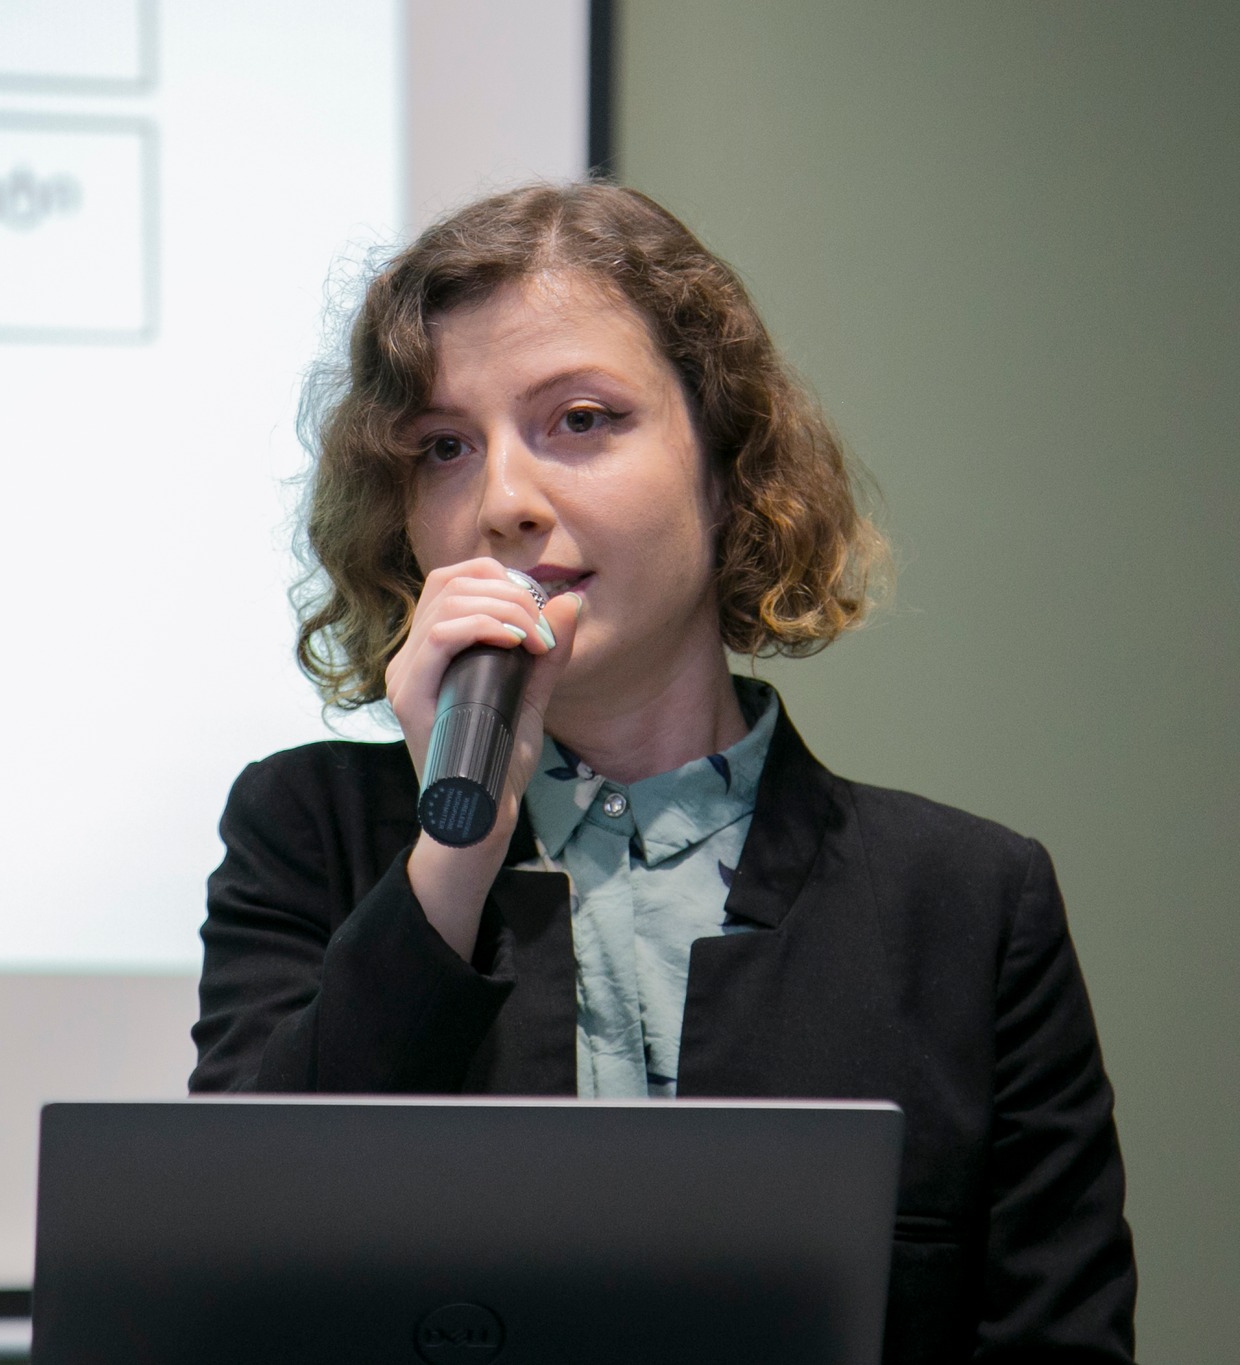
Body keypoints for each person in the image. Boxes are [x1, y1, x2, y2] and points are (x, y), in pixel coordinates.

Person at [188, 183, 1135, 1363]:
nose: (502, 503)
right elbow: (229, 1265)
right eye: (442, 448)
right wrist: (453, 854)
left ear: (725, 465)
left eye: (579, 420)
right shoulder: (304, 829)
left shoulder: (966, 902)